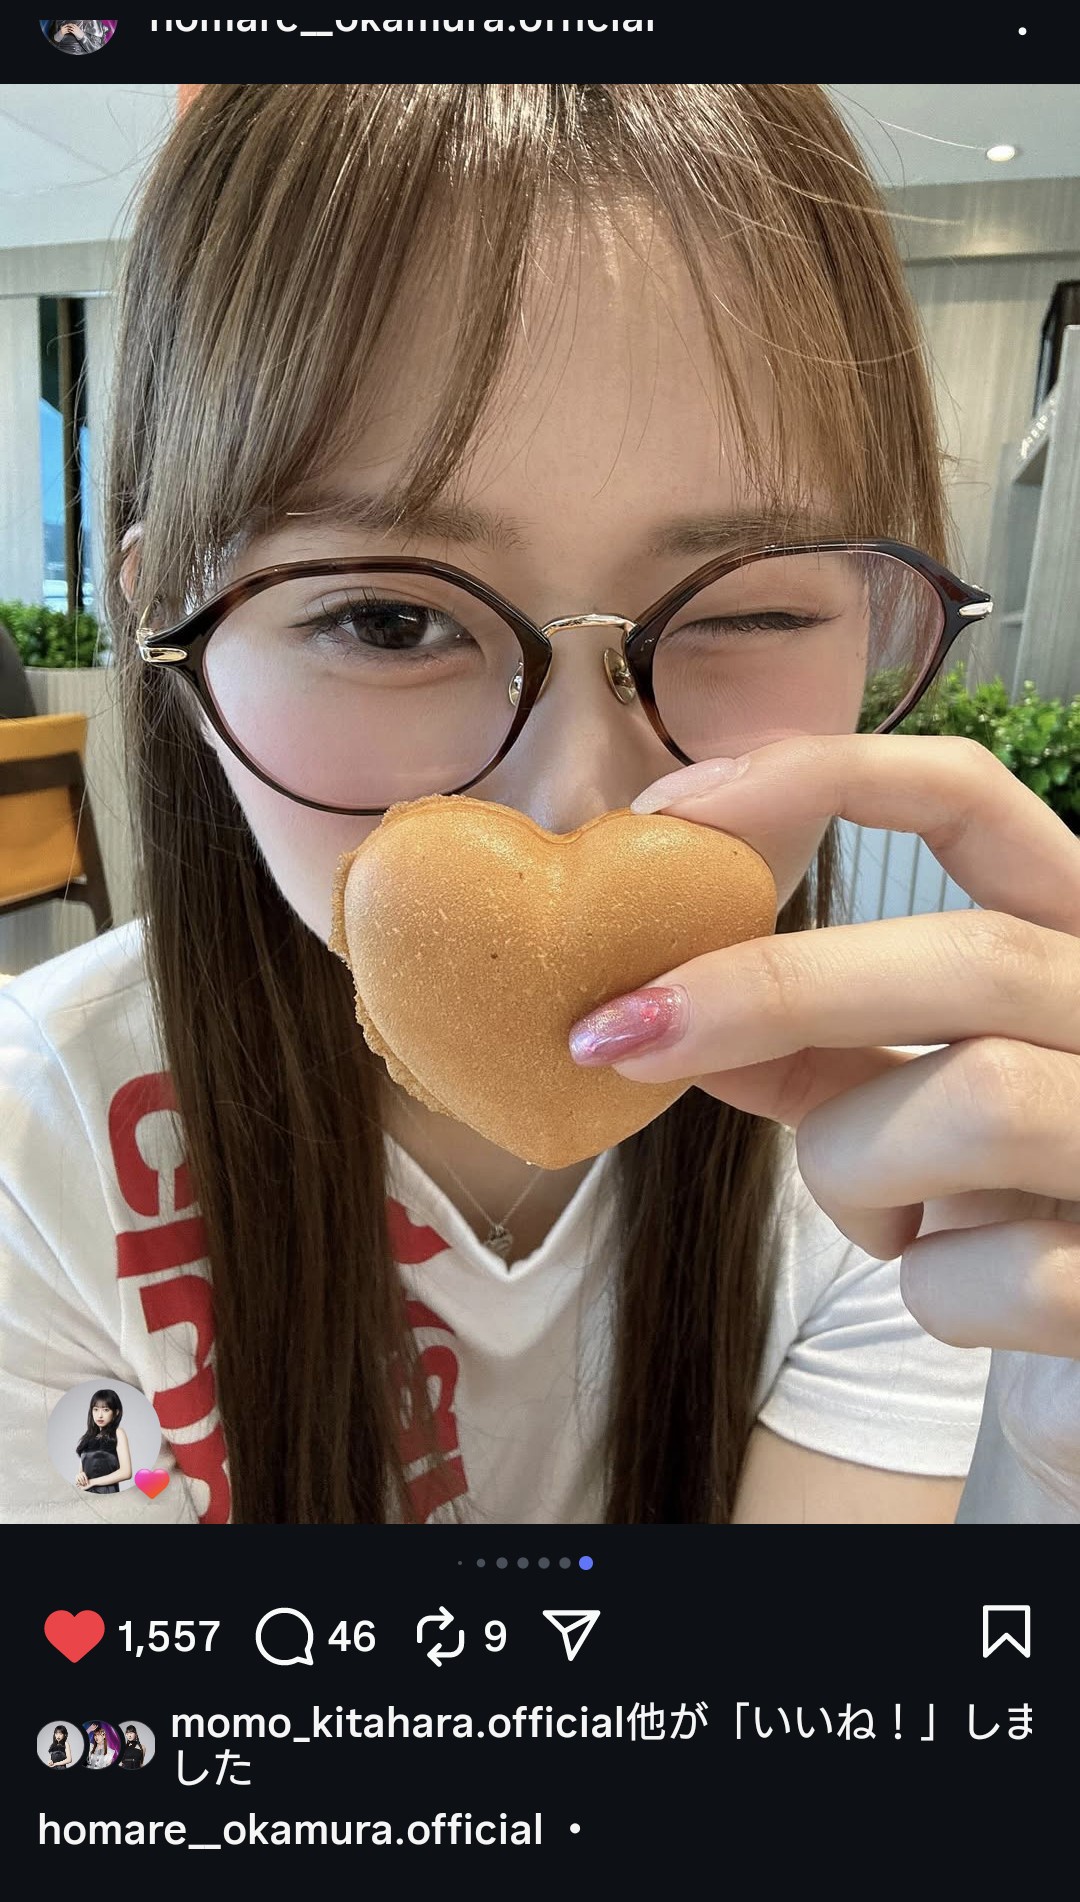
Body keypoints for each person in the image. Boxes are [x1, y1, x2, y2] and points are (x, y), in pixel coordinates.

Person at [0, 85, 1077, 1526]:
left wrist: (1044, 1463)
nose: (575, 805)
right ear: (167, 634)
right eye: (387, 620)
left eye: (745, 611)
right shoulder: (33, 1154)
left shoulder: (924, 1163)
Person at [73, 1389, 132, 1495]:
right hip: (87, 1494)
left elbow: (126, 1472)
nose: (99, 1415)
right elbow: (82, 1472)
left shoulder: (118, 1433)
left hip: (107, 1494)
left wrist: (92, 1482)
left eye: (105, 1410)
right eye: (95, 1409)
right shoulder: (87, 1439)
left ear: (116, 1412)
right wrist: (79, 1477)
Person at [44, 21, 109, 54]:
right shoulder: (58, 21)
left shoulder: (93, 22)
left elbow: (96, 48)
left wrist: (82, 37)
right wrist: (58, 35)